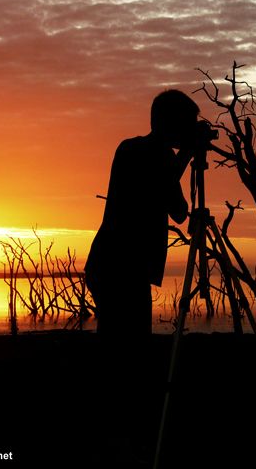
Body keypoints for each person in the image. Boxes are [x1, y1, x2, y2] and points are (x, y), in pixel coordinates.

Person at [85, 89, 198, 339]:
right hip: (123, 268)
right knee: (130, 343)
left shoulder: (130, 149)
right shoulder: (154, 155)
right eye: (187, 123)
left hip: (110, 263)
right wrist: (187, 155)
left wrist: (181, 157)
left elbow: (167, 199)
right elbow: (178, 211)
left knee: (119, 341)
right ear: (173, 122)